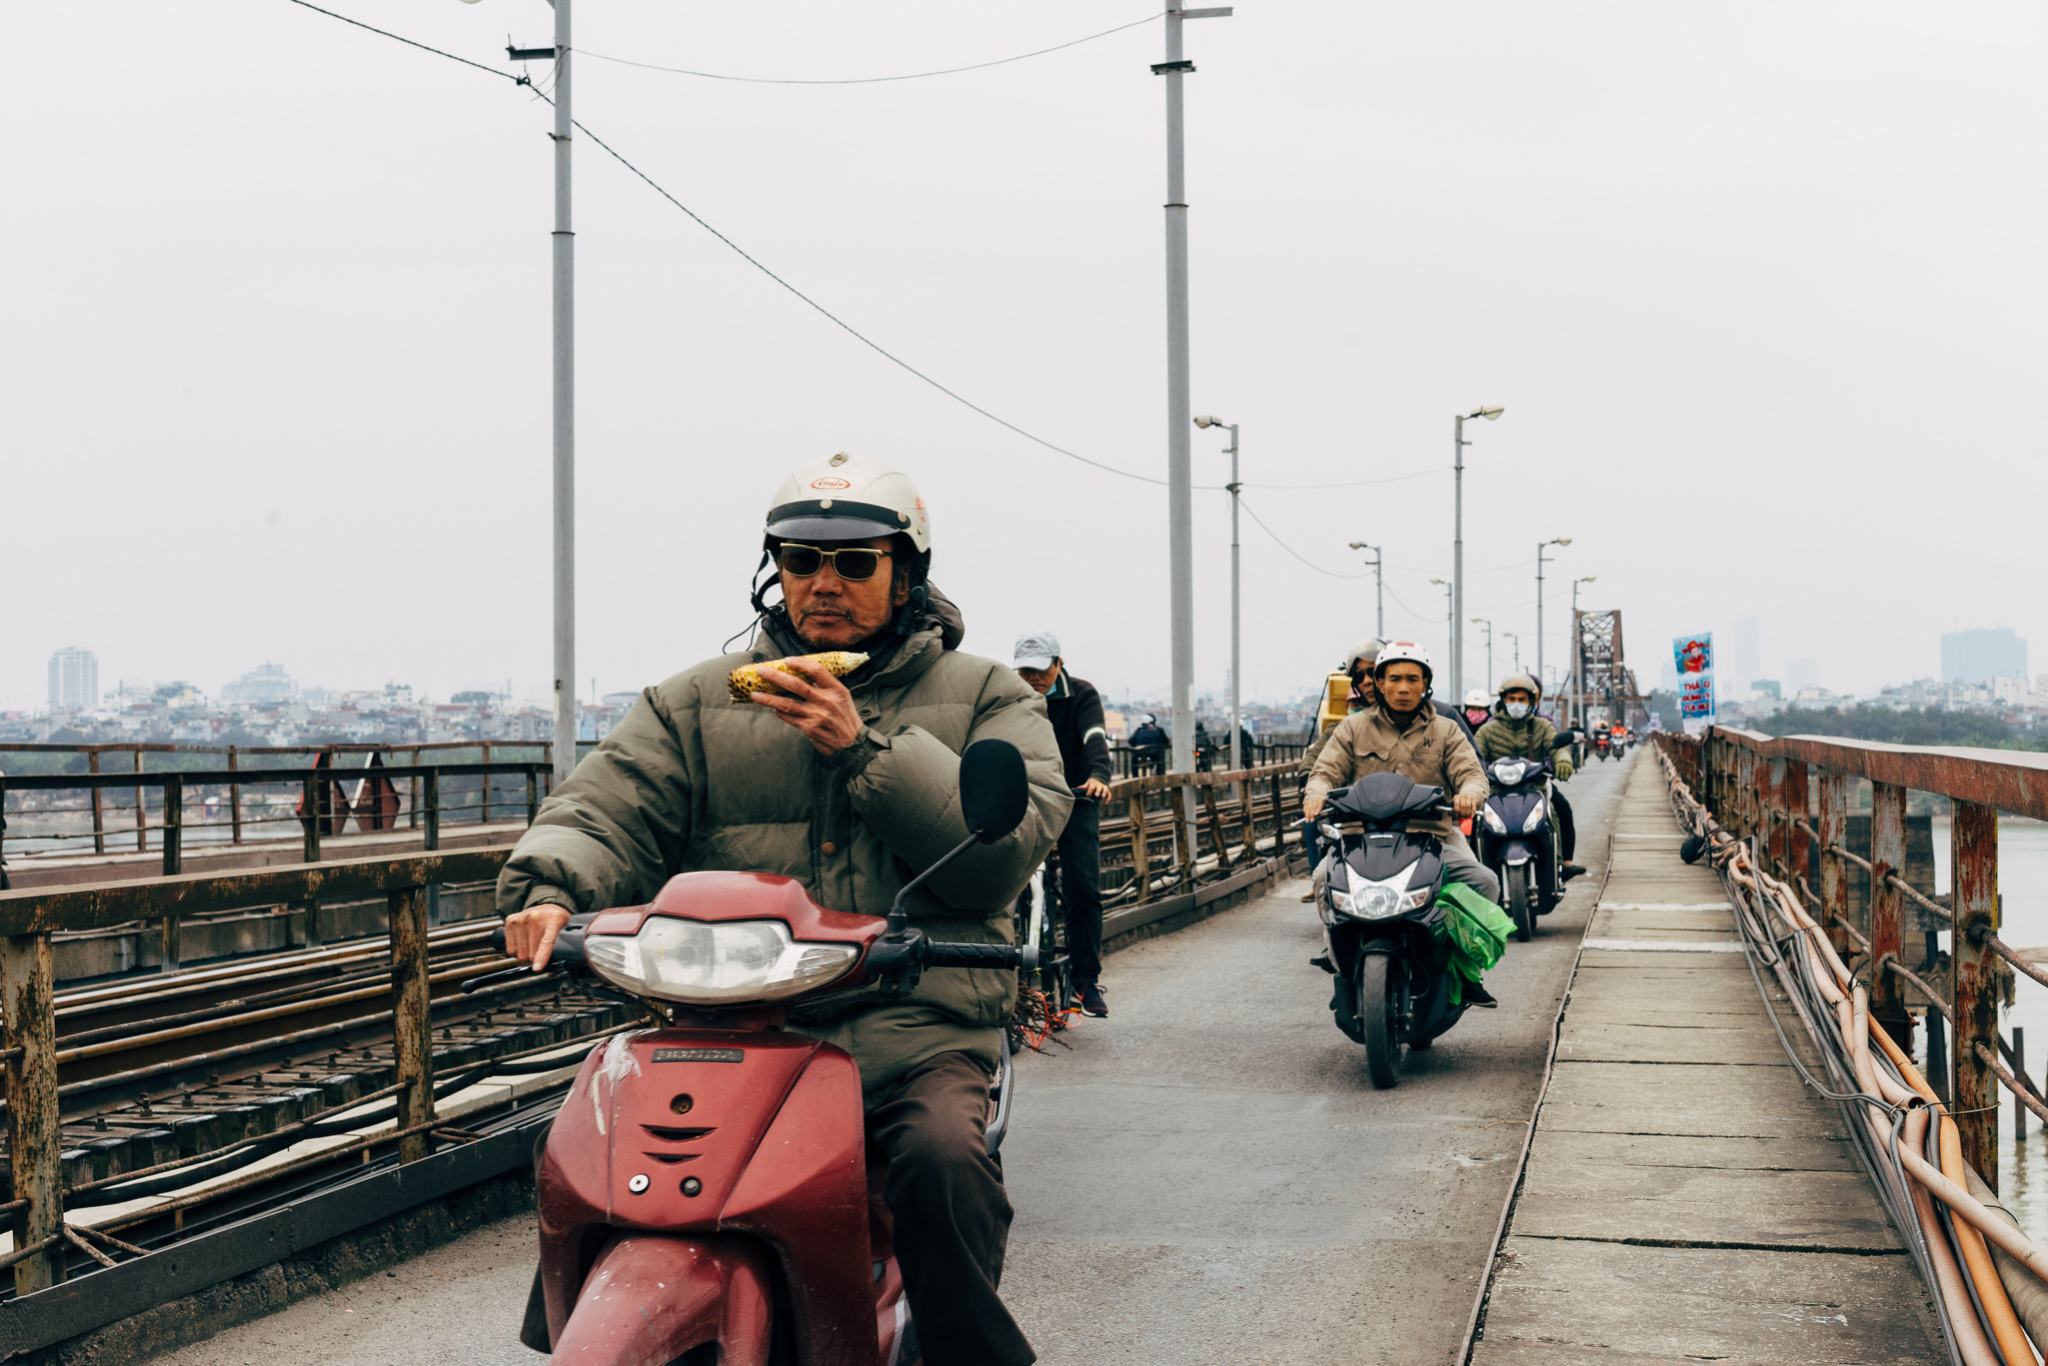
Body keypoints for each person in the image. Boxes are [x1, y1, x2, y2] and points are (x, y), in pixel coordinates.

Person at [495, 452, 1069, 1366]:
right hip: (733, 1021)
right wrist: (550, 887)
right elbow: (609, 805)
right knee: (591, 1147)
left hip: (909, 1022)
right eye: (800, 561)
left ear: (906, 570)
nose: (824, 584)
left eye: (855, 562)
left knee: (942, 1163)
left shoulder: (987, 695)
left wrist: (863, 747)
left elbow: (995, 860)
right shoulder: (694, 700)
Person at [1303, 642, 1502, 1006]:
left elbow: (1472, 774)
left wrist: (1469, 794)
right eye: (1394, 678)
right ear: (1378, 683)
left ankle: (1465, 970)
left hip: (1432, 836)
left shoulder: (1446, 730)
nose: (1404, 687)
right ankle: (1340, 960)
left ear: (1426, 682)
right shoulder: (1351, 728)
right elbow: (1323, 771)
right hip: (1360, 839)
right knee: (1321, 880)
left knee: (1485, 882)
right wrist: (1316, 794)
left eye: (1413, 678)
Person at [1013, 632, 1113, 1019]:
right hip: (1026, 795)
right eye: (1025, 671)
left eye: (1041, 671)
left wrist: (1099, 774)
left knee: (1083, 886)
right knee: (997, 876)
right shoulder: (1010, 695)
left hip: (1076, 795)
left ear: (1058, 664)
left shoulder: (1081, 694)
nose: (1034, 679)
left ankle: (1086, 981)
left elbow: (1094, 735)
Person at [1474, 674, 1586, 880]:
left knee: (1557, 809)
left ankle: (1560, 863)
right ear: (1503, 700)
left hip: (1535, 788)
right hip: (1496, 791)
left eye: (1521, 700)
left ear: (1531, 702)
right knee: (1475, 820)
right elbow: (1473, 756)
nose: (1516, 704)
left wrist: (1563, 760)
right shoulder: (1487, 730)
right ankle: (1476, 869)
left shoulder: (1542, 726)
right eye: (1512, 699)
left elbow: (1556, 747)